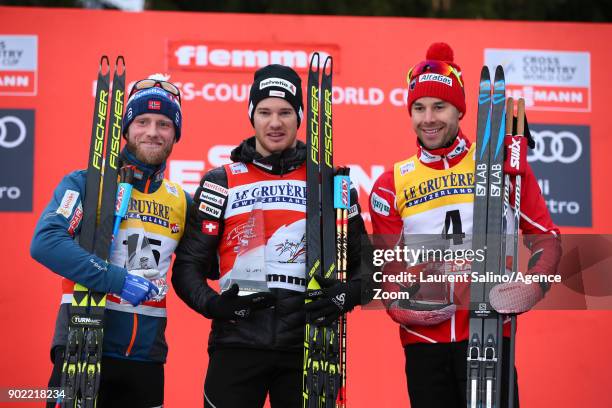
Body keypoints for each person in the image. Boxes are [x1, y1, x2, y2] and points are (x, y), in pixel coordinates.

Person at [369, 43, 562, 408]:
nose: (429, 118)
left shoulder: (500, 165)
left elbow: (547, 239)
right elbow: (385, 269)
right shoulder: (390, 183)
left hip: (490, 332)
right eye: (419, 108)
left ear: (460, 110)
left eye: (440, 106)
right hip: (424, 343)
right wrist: (397, 304)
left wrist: (536, 285)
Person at [172, 64, 369, 408]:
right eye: (264, 112)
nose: (274, 123)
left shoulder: (333, 183)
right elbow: (188, 267)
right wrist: (214, 304)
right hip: (237, 342)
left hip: (309, 346)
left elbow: (367, 267)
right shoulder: (222, 181)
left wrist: (343, 296)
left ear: (300, 117)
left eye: (284, 112)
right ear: (252, 115)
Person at [31, 75, 189, 408]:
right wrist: (117, 280)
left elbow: (202, 266)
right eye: (142, 121)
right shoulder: (86, 183)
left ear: (176, 134)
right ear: (125, 128)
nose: (152, 132)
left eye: (164, 124)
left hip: (147, 357)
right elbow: (46, 241)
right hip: (83, 343)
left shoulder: (182, 200)